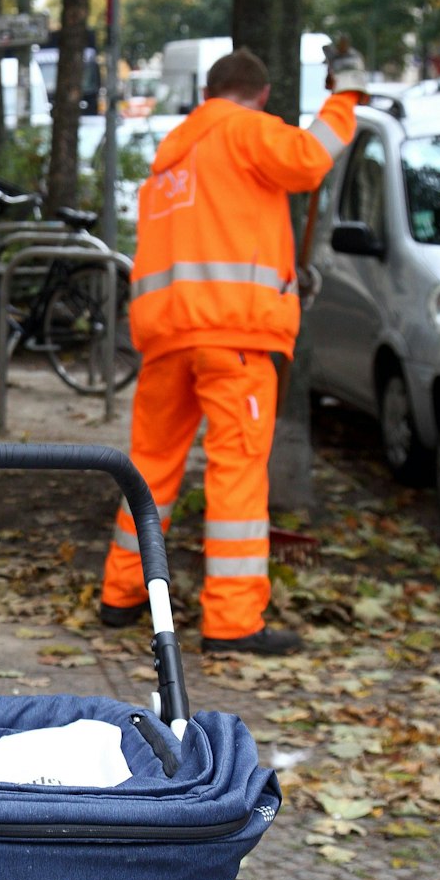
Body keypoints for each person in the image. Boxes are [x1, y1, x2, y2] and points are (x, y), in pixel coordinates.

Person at [96, 48, 358, 657]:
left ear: (207, 92)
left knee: (150, 469)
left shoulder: (172, 159)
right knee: (236, 468)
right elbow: (310, 159)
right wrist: (346, 96)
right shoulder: (246, 130)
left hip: (166, 337)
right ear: (260, 96)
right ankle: (232, 621)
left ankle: (121, 593)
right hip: (231, 337)